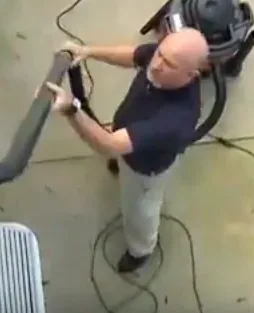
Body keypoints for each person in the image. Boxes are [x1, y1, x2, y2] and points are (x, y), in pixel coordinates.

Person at [43, 27, 209, 273]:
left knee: (140, 213)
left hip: (144, 170)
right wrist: (86, 52)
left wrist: (71, 109)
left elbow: (107, 146)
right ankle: (122, 165)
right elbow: (134, 55)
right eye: (160, 53)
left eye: (169, 64)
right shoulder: (162, 58)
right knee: (121, 154)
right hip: (128, 141)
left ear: (190, 75)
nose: (156, 65)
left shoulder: (175, 119)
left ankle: (141, 250)